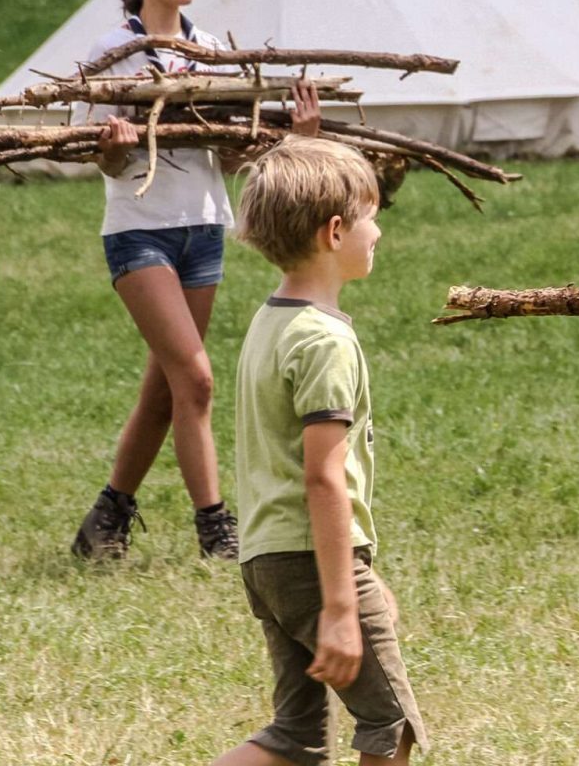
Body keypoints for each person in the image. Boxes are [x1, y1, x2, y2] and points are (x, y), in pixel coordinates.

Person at [70, 0, 319, 559]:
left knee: (167, 391)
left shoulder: (208, 52)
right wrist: (112, 151)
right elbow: (92, 156)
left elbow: (229, 160)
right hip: (138, 235)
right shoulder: (110, 53)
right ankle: (215, 528)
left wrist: (291, 138)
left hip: (204, 231)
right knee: (198, 380)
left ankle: (106, 519)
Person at [211, 136, 423, 766]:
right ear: (335, 232)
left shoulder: (270, 321)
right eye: (371, 215)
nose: (378, 231)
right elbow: (324, 480)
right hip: (311, 559)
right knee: (391, 722)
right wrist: (339, 604)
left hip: (269, 555)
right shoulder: (323, 342)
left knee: (296, 737)